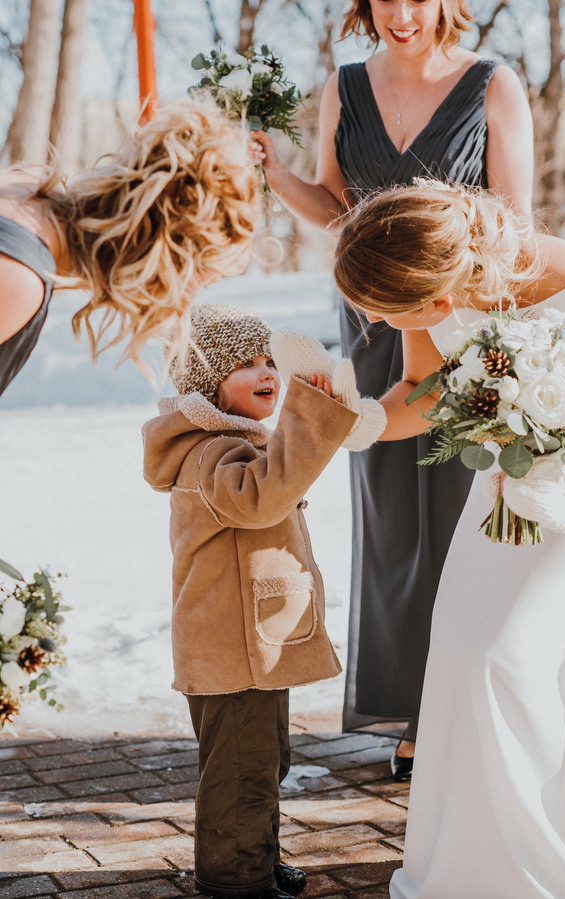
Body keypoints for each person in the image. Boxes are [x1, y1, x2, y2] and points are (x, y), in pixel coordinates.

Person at [250, 0, 534, 777]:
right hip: (371, 316)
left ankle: (464, 701)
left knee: (458, 505)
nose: (402, 13)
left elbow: (520, 225)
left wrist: (485, 332)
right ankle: (409, 705)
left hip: (463, 316)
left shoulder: (491, 85)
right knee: (386, 512)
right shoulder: (345, 85)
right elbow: (336, 209)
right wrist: (278, 175)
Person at [333, 181, 565, 898]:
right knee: (459, 651)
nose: (379, 322)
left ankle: (545, 871)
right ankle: (475, 869)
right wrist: (354, 422)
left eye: (390, 311)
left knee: (505, 657)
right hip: (500, 498)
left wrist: (559, 448)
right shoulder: (434, 281)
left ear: (441, 297)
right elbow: (424, 388)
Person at [142, 303, 363, 899]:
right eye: (246, 364)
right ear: (208, 381)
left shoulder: (232, 441)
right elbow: (262, 500)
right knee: (241, 770)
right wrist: (311, 416)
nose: (267, 373)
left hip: (250, 641)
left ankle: (255, 858)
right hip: (230, 645)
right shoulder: (211, 453)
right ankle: (235, 880)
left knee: (261, 763)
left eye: (269, 361)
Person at [0, 98, 258, 397]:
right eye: (202, 281)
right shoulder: (19, 277)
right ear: (168, 258)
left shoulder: (28, 192)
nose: (189, 302)